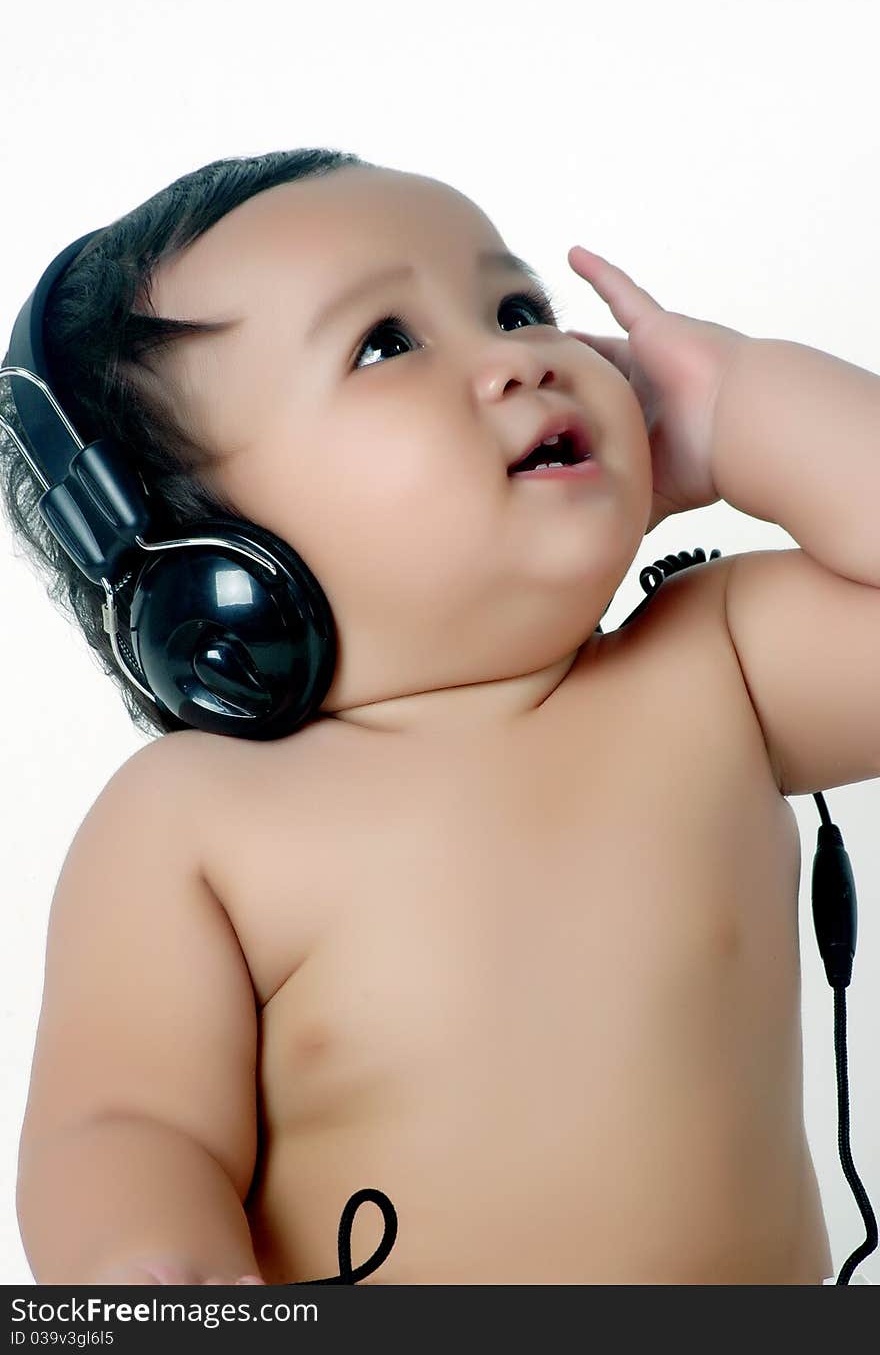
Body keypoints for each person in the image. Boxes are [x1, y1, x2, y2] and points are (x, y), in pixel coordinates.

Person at [6, 150, 878, 1284]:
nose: (519, 358)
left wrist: (737, 403)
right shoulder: (194, 820)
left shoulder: (719, 664)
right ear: (205, 572)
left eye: (518, 308)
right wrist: (153, 1264)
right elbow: (119, 1119)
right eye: (385, 343)